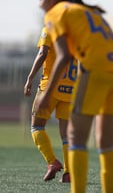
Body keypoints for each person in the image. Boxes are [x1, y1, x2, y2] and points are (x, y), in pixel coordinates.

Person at [35, 0, 113, 193]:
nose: (39, 1)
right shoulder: (89, 11)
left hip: (96, 67)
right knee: (106, 143)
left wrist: (47, 92)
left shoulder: (55, 12)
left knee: (76, 139)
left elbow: (62, 56)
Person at [24, 26, 78, 182]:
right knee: (66, 135)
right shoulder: (76, 31)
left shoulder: (51, 26)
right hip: (69, 88)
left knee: (37, 127)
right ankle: (68, 173)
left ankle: (52, 162)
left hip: (49, 87)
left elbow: (42, 53)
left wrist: (29, 78)